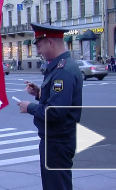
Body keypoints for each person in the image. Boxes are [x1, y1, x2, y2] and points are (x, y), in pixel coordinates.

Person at [16, 23, 83, 190]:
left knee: (57, 186)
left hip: (57, 141)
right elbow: (61, 100)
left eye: (39, 45)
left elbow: (56, 112)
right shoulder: (62, 66)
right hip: (56, 139)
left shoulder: (63, 71)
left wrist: (30, 107)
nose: (38, 51)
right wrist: (39, 94)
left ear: (50, 42)